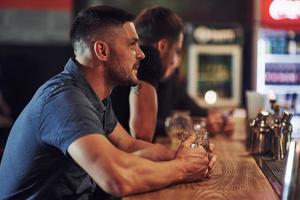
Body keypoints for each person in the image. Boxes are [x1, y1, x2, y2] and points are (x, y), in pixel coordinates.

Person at [0, 5, 216, 199]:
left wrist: (184, 157)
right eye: (132, 45)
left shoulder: (92, 95)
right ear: (102, 51)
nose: (141, 54)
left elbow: (128, 145)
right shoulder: (65, 100)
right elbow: (116, 178)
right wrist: (183, 168)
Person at [111, 6, 228, 142]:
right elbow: (142, 134)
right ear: (162, 46)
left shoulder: (169, 80)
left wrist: (218, 119)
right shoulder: (146, 58)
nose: (176, 62)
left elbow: (194, 110)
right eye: (177, 51)